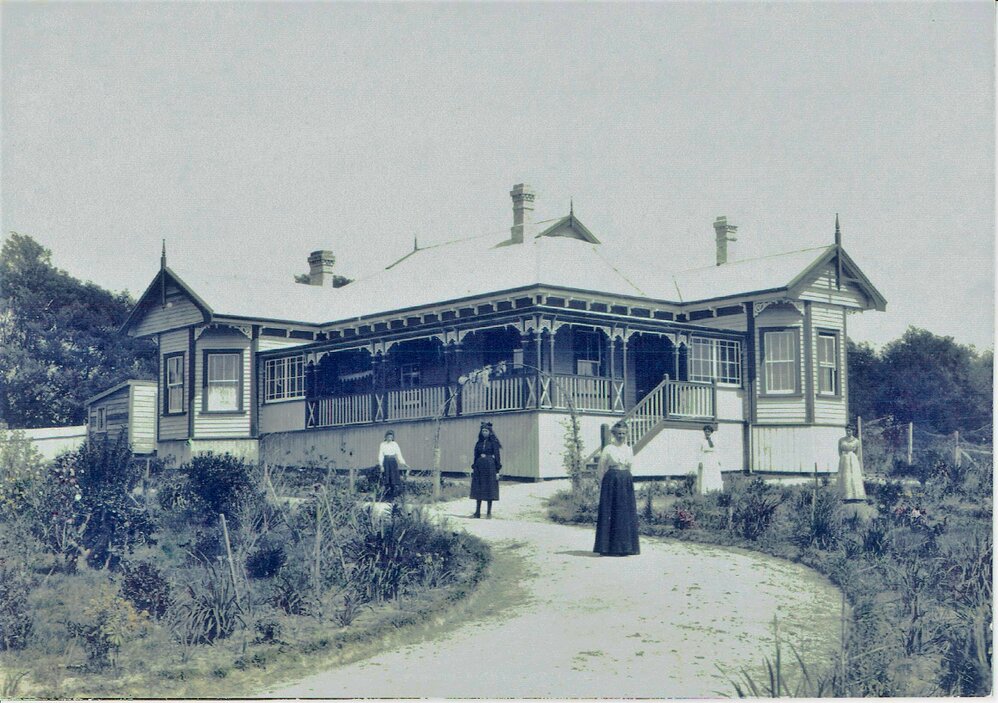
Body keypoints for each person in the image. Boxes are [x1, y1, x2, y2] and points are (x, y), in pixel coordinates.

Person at [593, 421, 640, 556]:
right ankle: (608, 547)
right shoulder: (608, 449)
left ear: (627, 434)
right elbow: (601, 467)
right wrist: (603, 484)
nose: (621, 436)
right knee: (612, 511)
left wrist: (630, 480)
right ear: (614, 434)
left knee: (624, 512)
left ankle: (625, 547)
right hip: (611, 481)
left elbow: (631, 467)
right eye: (619, 433)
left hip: (625, 480)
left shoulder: (629, 449)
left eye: (623, 433)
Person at [470, 421, 501, 518]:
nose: (484, 433)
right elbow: (475, 456)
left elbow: (497, 456)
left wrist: (497, 470)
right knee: (478, 489)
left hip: (490, 467)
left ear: (490, 432)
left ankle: (488, 513)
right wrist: (474, 466)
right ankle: (477, 512)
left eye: (486, 431)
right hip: (479, 468)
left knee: (489, 489)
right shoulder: (478, 443)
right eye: (483, 431)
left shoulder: (493, 443)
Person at [837, 425, 866, 502]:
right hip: (844, 459)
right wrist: (843, 457)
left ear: (853, 431)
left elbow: (857, 452)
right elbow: (839, 451)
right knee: (845, 476)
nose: (848, 432)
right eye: (847, 430)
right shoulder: (841, 440)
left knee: (853, 476)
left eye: (850, 430)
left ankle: (856, 496)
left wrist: (853, 458)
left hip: (852, 458)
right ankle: (844, 496)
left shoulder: (856, 441)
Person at [377, 430, 407, 501]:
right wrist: (381, 465)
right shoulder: (382, 444)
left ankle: (393, 496)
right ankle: (387, 495)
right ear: (386, 437)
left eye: (391, 437)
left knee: (393, 478)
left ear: (393, 437)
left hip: (393, 462)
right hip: (386, 462)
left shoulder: (395, 444)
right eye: (388, 436)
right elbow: (380, 455)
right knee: (386, 479)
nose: (389, 438)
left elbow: (399, 454)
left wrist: (403, 463)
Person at [696, 425, 725, 495]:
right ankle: (705, 491)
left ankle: (715, 490)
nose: (707, 433)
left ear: (711, 432)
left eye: (708, 431)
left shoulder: (714, 440)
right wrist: (700, 461)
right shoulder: (701, 440)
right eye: (706, 431)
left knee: (714, 474)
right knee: (706, 474)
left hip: (713, 458)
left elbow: (717, 450)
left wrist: (719, 460)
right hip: (705, 458)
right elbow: (699, 451)